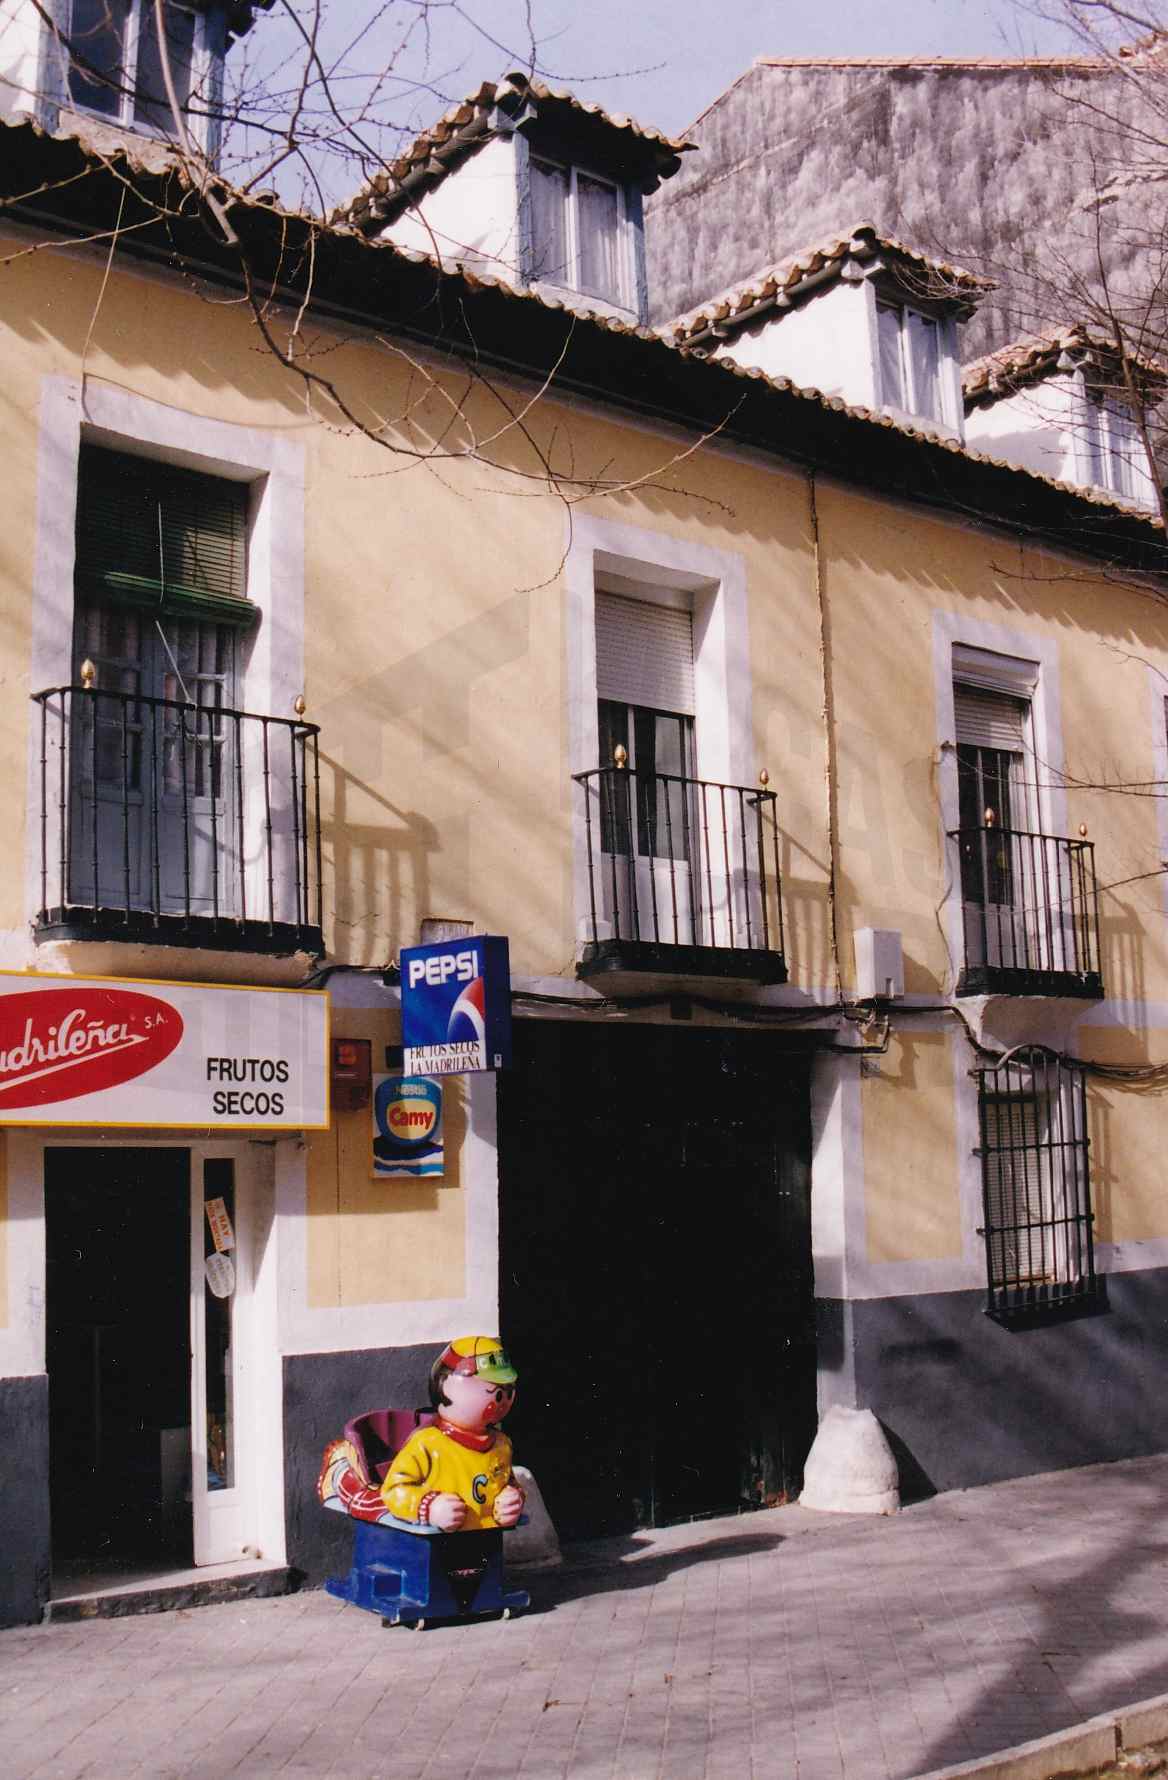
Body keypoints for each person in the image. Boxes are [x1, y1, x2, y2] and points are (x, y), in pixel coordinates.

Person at [381, 1335, 526, 1532]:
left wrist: (512, 1499)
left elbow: (507, 1482)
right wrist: (430, 1508)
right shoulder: (428, 1444)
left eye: (507, 1393)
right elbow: (393, 1491)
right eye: (495, 1393)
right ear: (449, 1387)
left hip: (487, 1544)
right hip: (439, 1546)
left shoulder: (501, 1444)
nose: (502, 1402)